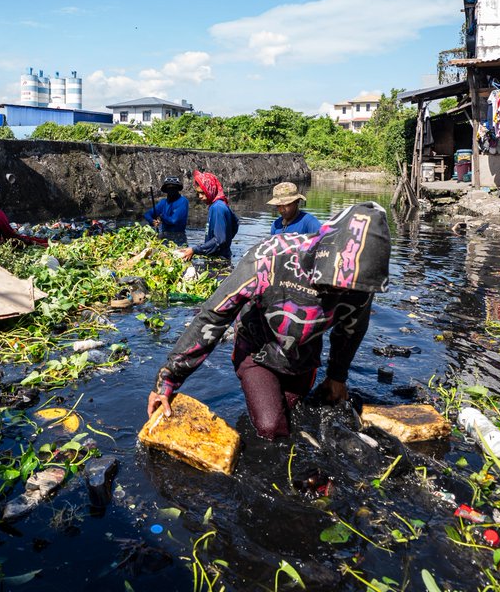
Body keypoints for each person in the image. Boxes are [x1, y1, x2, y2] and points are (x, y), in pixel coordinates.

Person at [147, 202, 390, 440]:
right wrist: (167, 380)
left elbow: (351, 330)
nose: (340, 292)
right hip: (257, 349)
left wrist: (337, 376)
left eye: (349, 289)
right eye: (333, 284)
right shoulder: (271, 256)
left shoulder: (360, 284)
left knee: (297, 415)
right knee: (271, 426)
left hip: (301, 355)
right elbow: (215, 314)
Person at [180, 170, 238, 262]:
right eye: (198, 193)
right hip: (217, 256)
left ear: (210, 189)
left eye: (203, 192)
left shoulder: (217, 208)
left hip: (219, 260)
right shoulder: (218, 204)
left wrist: (194, 250)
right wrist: (227, 240)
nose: (199, 196)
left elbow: (219, 240)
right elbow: (235, 223)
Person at [143, 176, 189, 245]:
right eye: (169, 188)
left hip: (179, 237)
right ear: (166, 190)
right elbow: (147, 214)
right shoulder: (163, 202)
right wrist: (152, 221)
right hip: (165, 236)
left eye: (174, 188)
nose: (171, 190)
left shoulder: (183, 201)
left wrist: (161, 217)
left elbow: (173, 220)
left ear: (177, 189)